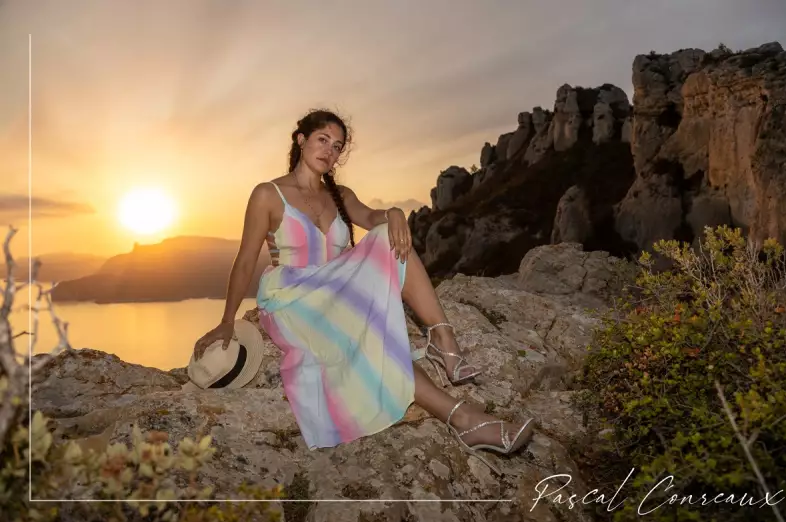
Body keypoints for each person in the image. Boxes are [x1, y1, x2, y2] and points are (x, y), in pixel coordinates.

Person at [193, 109, 534, 473]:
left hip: (342, 285)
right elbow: (245, 260)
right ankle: (464, 418)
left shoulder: (341, 194)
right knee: (371, 335)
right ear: (300, 140)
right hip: (295, 295)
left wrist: (395, 214)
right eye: (322, 140)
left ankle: (443, 342)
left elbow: (374, 220)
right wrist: (227, 320)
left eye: (337, 146)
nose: (329, 151)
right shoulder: (268, 194)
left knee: (388, 239)